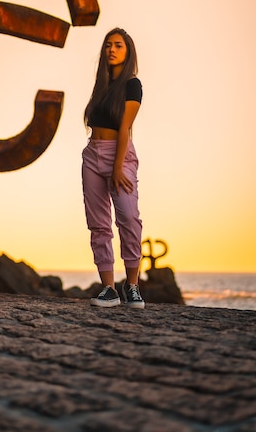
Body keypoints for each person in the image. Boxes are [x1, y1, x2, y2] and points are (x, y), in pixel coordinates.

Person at [82, 28, 145, 309]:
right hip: (92, 156)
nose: (111, 49)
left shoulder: (132, 85)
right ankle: (109, 288)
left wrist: (118, 167)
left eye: (118, 45)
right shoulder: (101, 86)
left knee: (129, 217)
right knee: (98, 224)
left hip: (118, 155)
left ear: (127, 51)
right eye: (108, 45)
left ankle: (131, 285)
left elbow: (124, 128)